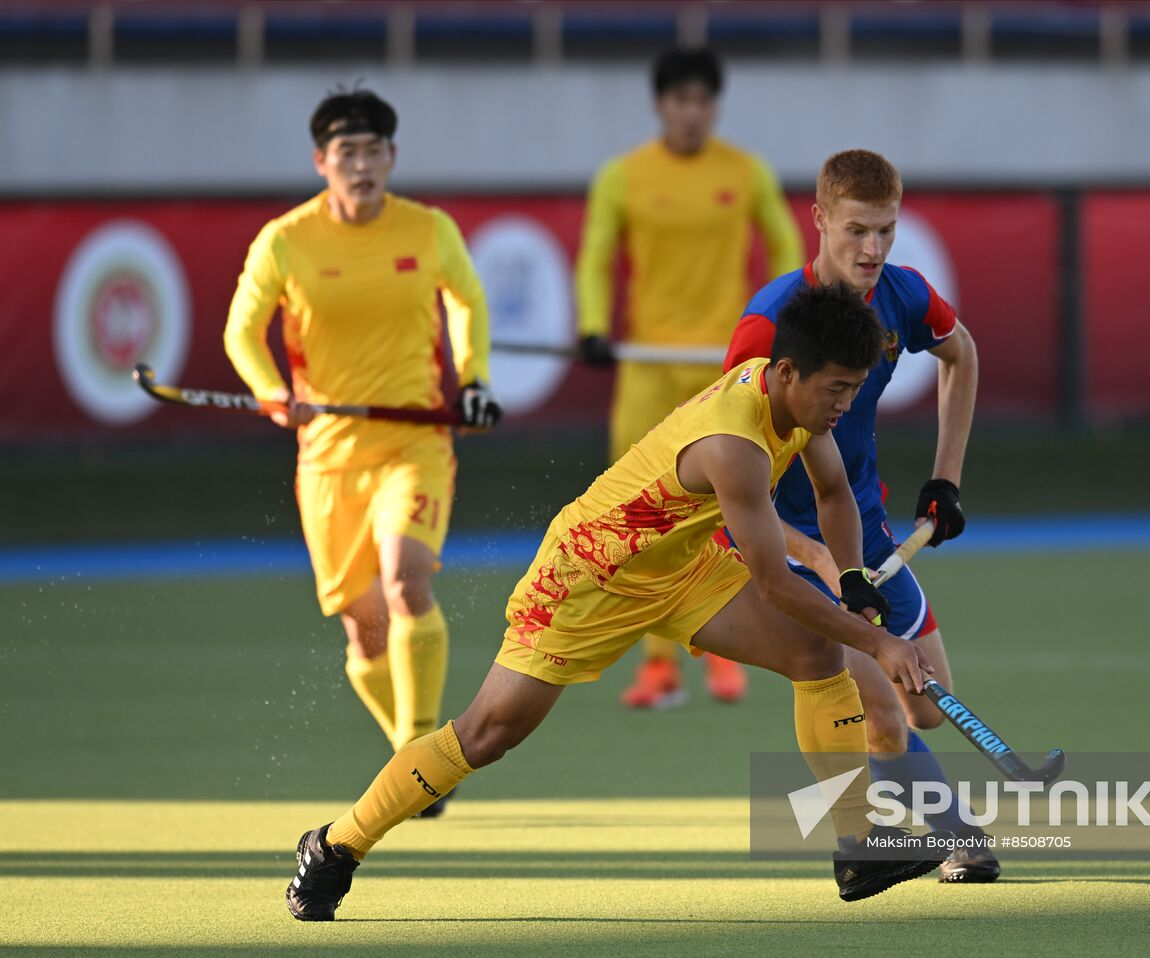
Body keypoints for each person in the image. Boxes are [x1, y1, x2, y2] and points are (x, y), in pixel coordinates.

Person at [285, 284, 946, 922]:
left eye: (855, 390)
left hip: (678, 565)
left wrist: (854, 576)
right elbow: (776, 583)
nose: (844, 405)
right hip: (589, 575)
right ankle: (336, 844)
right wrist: (883, 642)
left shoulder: (800, 406)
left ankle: (860, 846)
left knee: (815, 651)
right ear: (785, 372)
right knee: (489, 734)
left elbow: (833, 493)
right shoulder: (734, 443)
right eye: (836, 390)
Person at [723, 149, 998, 883]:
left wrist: (946, 479)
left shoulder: (902, 296)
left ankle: (885, 807)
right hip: (776, 541)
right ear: (817, 221)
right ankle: (953, 840)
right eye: (856, 231)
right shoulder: (767, 327)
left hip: (866, 531)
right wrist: (815, 561)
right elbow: (727, 483)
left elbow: (961, 354)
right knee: (877, 698)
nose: (872, 250)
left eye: (886, 230)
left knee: (926, 707)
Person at [224, 88, 500, 818]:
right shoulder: (285, 240)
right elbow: (242, 333)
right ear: (322, 162)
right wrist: (273, 392)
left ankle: (419, 752)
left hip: (415, 441)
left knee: (407, 580)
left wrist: (472, 380)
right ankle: (409, 753)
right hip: (327, 458)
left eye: (375, 151)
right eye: (347, 153)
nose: (363, 164)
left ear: (392, 158)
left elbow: (468, 301)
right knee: (363, 627)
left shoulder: (429, 230)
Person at [574, 46, 805, 708]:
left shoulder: (747, 172)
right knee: (640, 520)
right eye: (680, 100)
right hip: (646, 369)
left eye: (703, 101)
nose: (692, 113)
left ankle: (720, 651)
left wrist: (780, 321)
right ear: (660, 106)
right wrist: (594, 327)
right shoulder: (623, 177)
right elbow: (594, 259)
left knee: (732, 510)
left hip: (727, 372)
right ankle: (657, 666)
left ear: (715, 107)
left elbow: (786, 249)